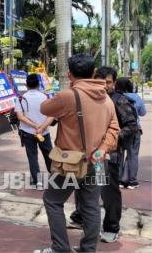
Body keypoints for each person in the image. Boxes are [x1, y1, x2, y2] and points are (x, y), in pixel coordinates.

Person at [35, 55, 119, 253]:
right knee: (91, 206)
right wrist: (102, 149)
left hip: (71, 164)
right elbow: (114, 128)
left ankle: (61, 249)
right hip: (98, 162)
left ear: (69, 74)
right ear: (93, 73)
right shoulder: (106, 98)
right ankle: (88, 250)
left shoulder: (68, 96)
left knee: (53, 201)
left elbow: (44, 108)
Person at [69, 66, 137, 244]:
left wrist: (109, 142)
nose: (104, 85)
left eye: (108, 82)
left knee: (107, 192)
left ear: (114, 83)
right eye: (101, 81)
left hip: (106, 158)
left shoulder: (118, 101)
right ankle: (80, 217)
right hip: (85, 155)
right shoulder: (90, 97)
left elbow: (131, 126)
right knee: (83, 188)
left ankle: (111, 227)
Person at [14, 74, 54, 188]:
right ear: (38, 84)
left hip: (27, 132)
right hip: (44, 132)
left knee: (32, 156)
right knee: (49, 155)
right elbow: (52, 116)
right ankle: (55, 180)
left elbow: (20, 117)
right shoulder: (46, 97)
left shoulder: (21, 98)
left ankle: (38, 182)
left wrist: (35, 126)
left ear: (27, 85)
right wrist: (41, 127)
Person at [115, 77, 146, 189]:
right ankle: (131, 181)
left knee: (119, 153)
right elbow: (143, 113)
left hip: (119, 129)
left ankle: (118, 179)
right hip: (134, 129)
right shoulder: (136, 97)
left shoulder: (116, 97)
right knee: (133, 154)